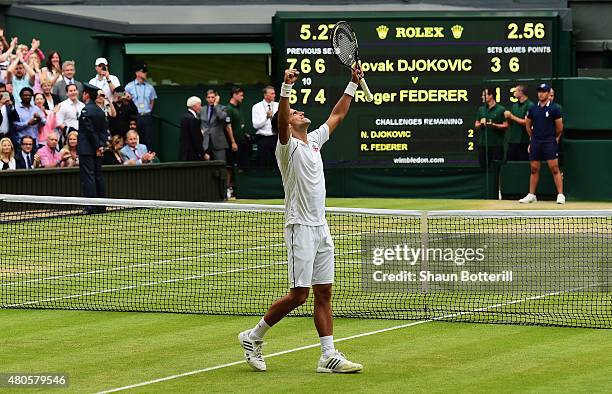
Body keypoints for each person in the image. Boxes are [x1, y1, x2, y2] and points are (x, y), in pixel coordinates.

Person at [238, 67, 364, 374]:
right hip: (299, 227)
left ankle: (328, 355)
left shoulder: (315, 141)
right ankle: (252, 337)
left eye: (297, 110)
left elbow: (337, 115)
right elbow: (281, 120)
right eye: (294, 112)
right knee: (299, 295)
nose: (299, 111)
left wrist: (352, 82)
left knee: (324, 292)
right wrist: (285, 88)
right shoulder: (287, 147)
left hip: (321, 228)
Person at [519, 83, 565, 204]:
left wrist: (551, 137)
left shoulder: (555, 108)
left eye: (544, 91)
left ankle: (560, 195)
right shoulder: (533, 108)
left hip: (549, 141)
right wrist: (533, 138)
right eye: (539, 91)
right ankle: (532, 195)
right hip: (536, 142)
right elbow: (528, 125)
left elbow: (559, 127)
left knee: (554, 168)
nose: (541, 93)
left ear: (549, 93)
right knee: (534, 169)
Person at [78, 83, 107, 213]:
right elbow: (103, 132)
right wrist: (100, 145)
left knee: (89, 177)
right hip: (97, 149)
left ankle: (91, 207)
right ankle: (101, 206)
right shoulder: (100, 111)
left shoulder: (85, 111)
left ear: (86, 95)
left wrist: (96, 146)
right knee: (98, 176)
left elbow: (90, 131)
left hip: (87, 150)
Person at [125, 62, 157, 148]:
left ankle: (147, 159)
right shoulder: (129, 87)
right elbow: (126, 102)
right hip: (135, 117)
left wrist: (147, 112)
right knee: (134, 138)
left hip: (146, 116)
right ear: (137, 73)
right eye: (143, 71)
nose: (145, 73)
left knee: (147, 139)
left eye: (146, 71)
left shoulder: (150, 87)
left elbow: (152, 102)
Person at [474, 87, 507, 168]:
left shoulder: (501, 109)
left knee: (497, 169)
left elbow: (506, 125)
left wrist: (493, 125)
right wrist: (481, 123)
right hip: (483, 145)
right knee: (483, 168)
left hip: (497, 145)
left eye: (484, 95)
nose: (482, 97)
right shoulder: (481, 109)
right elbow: (476, 124)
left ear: (491, 96)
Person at [225, 86, 248, 198]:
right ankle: (229, 188)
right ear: (234, 95)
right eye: (240, 95)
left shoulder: (238, 108)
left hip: (241, 142)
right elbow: (228, 127)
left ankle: (237, 189)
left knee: (239, 166)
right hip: (233, 144)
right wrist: (233, 142)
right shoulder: (229, 109)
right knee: (230, 166)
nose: (242, 97)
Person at [504, 85, 534, 161]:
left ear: (521, 92)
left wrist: (512, 117)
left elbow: (528, 123)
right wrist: (508, 118)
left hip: (524, 141)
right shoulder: (514, 106)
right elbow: (511, 121)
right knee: (510, 161)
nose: (514, 93)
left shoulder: (530, 105)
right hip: (513, 140)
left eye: (515, 91)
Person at [252, 85, 278, 168]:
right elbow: (255, 125)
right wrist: (266, 118)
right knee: (262, 161)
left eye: (274, 93)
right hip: (262, 137)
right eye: (272, 94)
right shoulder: (256, 107)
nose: (274, 95)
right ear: (265, 95)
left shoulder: (278, 105)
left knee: (276, 160)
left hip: (275, 137)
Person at [201, 89, 230, 163]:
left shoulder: (223, 108)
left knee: (221, 166)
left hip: (218, 143)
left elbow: (221, 117)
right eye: (209, 97)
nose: (211, 99)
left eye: (213, 97)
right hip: (205, 143)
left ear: (216, 98)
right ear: (206, 98)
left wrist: (216, 105)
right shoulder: (202, 109)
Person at [179, 96, 206, 161]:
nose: (200, 107)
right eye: (199, 105)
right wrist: (203, 154)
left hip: (185, 154)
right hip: (192, 154)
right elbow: (196, 139)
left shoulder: (184, 117)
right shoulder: (193, 119)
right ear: (194, 106)